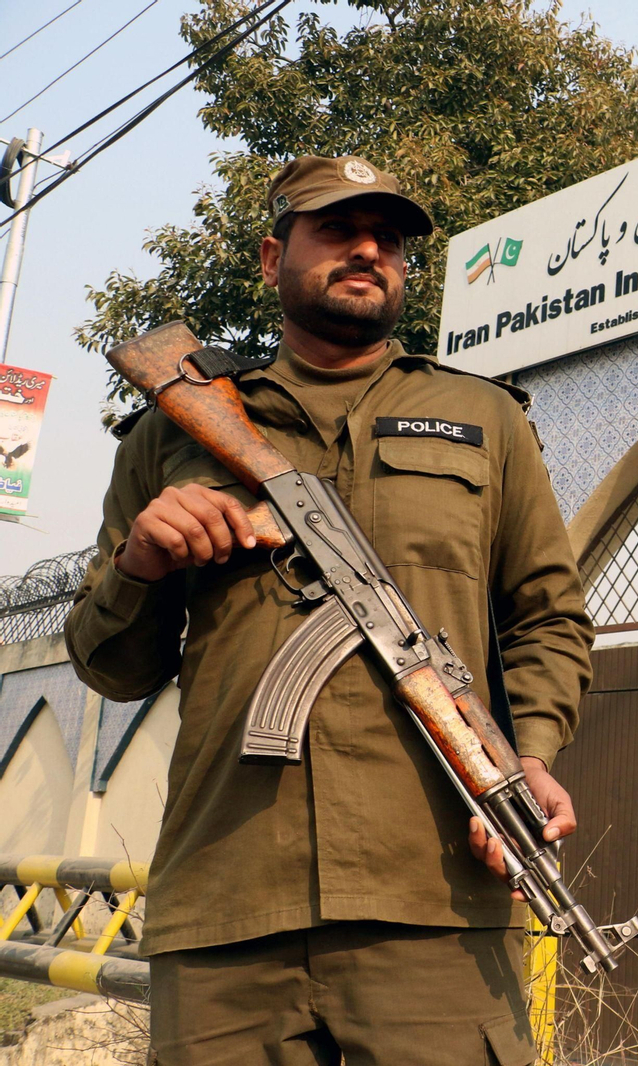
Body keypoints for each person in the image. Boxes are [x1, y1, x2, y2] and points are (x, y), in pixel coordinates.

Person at [65, 154, 593, 1065]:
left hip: (434, 901)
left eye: (386, 239)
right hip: (228, 895)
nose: (366, 251)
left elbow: (548, 617)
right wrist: (142, 563)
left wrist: (530, 753)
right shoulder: (174, 429)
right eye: (337, 231)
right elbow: (110, 667)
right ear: (272, 259)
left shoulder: (485, 419)